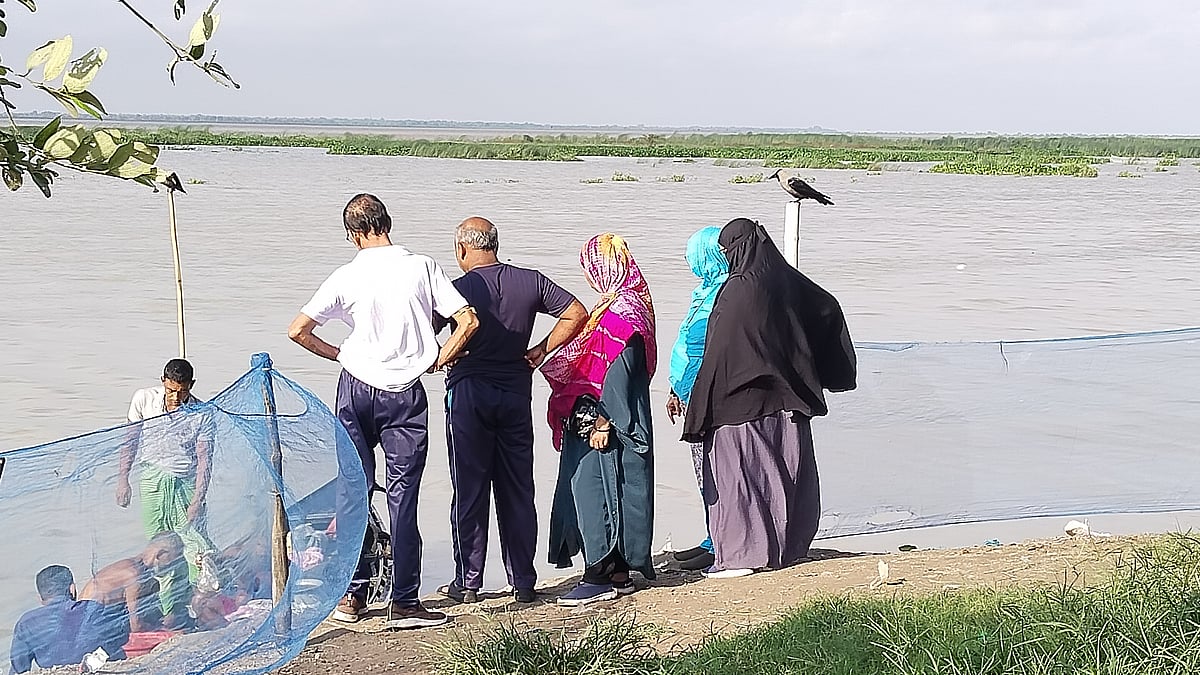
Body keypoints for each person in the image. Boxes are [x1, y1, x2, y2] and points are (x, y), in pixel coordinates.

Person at [288, 193, 479, 630]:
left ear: (352, 234)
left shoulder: (346, 275)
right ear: (388, 222)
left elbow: (298, 329)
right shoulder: (422, 266)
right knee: (403, 497)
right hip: (405, 393)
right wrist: (439, 358)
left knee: (351, 492)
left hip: (354, 387)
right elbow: (468, 321)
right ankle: (405, 601)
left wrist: (339, 353)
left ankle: (352, 595)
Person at [681, 218, 856, 578]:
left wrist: (700, 403)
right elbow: (827, 307)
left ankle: (742, 556)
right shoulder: (787, 281)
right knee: (784, 475)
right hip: (787, 400)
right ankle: (787, 549)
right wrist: (823, 370)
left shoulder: (738, 289)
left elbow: (720, 350)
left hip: (738, 402)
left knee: (739, 478)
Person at [436, 217, 588, 605]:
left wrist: (445, 356)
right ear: (496, 244)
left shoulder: (458, 289)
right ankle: (523, 580)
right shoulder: (530, 280)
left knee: (469, 490)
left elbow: (422, 333)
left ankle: (468, 583)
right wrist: (540, 349)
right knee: (518, 488)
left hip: (468, 394)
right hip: (516, 393)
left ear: (461, 249)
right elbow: (577, 312)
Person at [542, 233, 657, 606]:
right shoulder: (632, 304)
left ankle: (597, 577)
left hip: (606, 422)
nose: (590, 276)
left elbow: (618, 369)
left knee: (595, 495)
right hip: (623, 415)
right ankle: (620, 573)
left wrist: (605, 421)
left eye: (591, 268)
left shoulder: (619, 315)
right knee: (622, 493)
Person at [117, 358, 214, 621]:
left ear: (191, 386)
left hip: (185, 481)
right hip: (152, 481)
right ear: (163, 382)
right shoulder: (144, 399)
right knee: (160, 548)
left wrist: (197, 499)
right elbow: (130, 440)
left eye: (182, 391)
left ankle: (198, 607)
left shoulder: (202, 412)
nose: (175, 397)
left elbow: (205, 459)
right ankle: (168, 609)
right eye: (171, 390)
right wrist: (123, 478)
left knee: (197, 547)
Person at [665, 226, 728, 572]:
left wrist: (688, 390)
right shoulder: (704, 291)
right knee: (702, 471)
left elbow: (702, 352)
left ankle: (719, 539)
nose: (689, 261)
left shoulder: (722, 294)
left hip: (706, 398)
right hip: (689, 394)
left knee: (712, 471)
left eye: (693, 255)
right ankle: (711, 535)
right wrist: (675, 389)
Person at [9, 566, 130, 674]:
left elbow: (19, 669)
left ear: (40, 598)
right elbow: (122, 633)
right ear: (72, 589)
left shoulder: (26, 623)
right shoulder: (94, 609)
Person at [79, 532, 191, 633]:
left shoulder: (141, 572)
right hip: (88, 622)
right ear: (161, 554)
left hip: (91, 617)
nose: (171, 568)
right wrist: (167, 633)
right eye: (173, 560)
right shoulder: (134, 575)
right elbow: (136, 626)